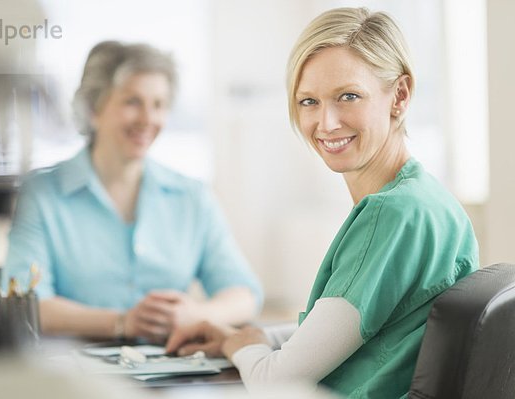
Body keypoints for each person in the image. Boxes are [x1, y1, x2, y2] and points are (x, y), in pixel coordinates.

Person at [165, 7, 479, 398]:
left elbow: (274, 380)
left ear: (400, 95)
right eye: (308, 101)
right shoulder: (429, 199)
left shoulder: (391, 214)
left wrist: (237, 347)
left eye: (348, 96)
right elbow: (359, 330)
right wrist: (253, 336)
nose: (326, 123)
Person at [0, 41, 262, 342]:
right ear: (93, 108)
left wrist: (196, 315)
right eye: (132, 102)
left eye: (159, 105)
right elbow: (24, 304)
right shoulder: (42, 193)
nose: (148, 119)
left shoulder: (192, 196)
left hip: (172, 373)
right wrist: (121, 322)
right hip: (78, 378)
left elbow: (244, 294)